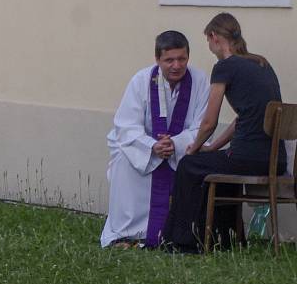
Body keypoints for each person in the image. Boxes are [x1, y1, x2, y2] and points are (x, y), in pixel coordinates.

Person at [162, 13, 285, 252]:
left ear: (214, 36)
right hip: (275, 160)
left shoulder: (224, 67)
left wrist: (195, 148)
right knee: (214, 161)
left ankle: (183, 241)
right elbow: (242, 120)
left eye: (208, 41)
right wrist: (212, 148)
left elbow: (209, 121)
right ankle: (225, 239)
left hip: (245, 158)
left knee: (189, 166)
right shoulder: (262, 63)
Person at [100, 31, 209, 248]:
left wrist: (174, 144)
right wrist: (152, 146)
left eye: (182, 59)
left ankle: (174, 232)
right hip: (145, 149)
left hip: (181, 149)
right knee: (124, 161)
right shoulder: (140, 81)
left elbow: (201, 125)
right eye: (169, 60)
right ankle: (129, 234)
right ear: (158, 59)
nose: (176, 65)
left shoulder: (200, 81)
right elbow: (126, 124)